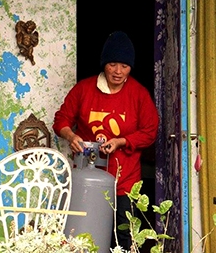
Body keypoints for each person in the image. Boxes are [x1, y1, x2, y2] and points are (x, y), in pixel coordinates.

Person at [52, 31, 159, 251]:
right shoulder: (84, 89)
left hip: (125, 179)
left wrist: (122, 141)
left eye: (124, 66)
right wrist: (71, 136)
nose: (118, 71)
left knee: (124, 234)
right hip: (87, 179)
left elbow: (150, 131)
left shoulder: (138, 94)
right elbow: (61, 119)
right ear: (104, 64)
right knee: (85, 230)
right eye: (112, 64)